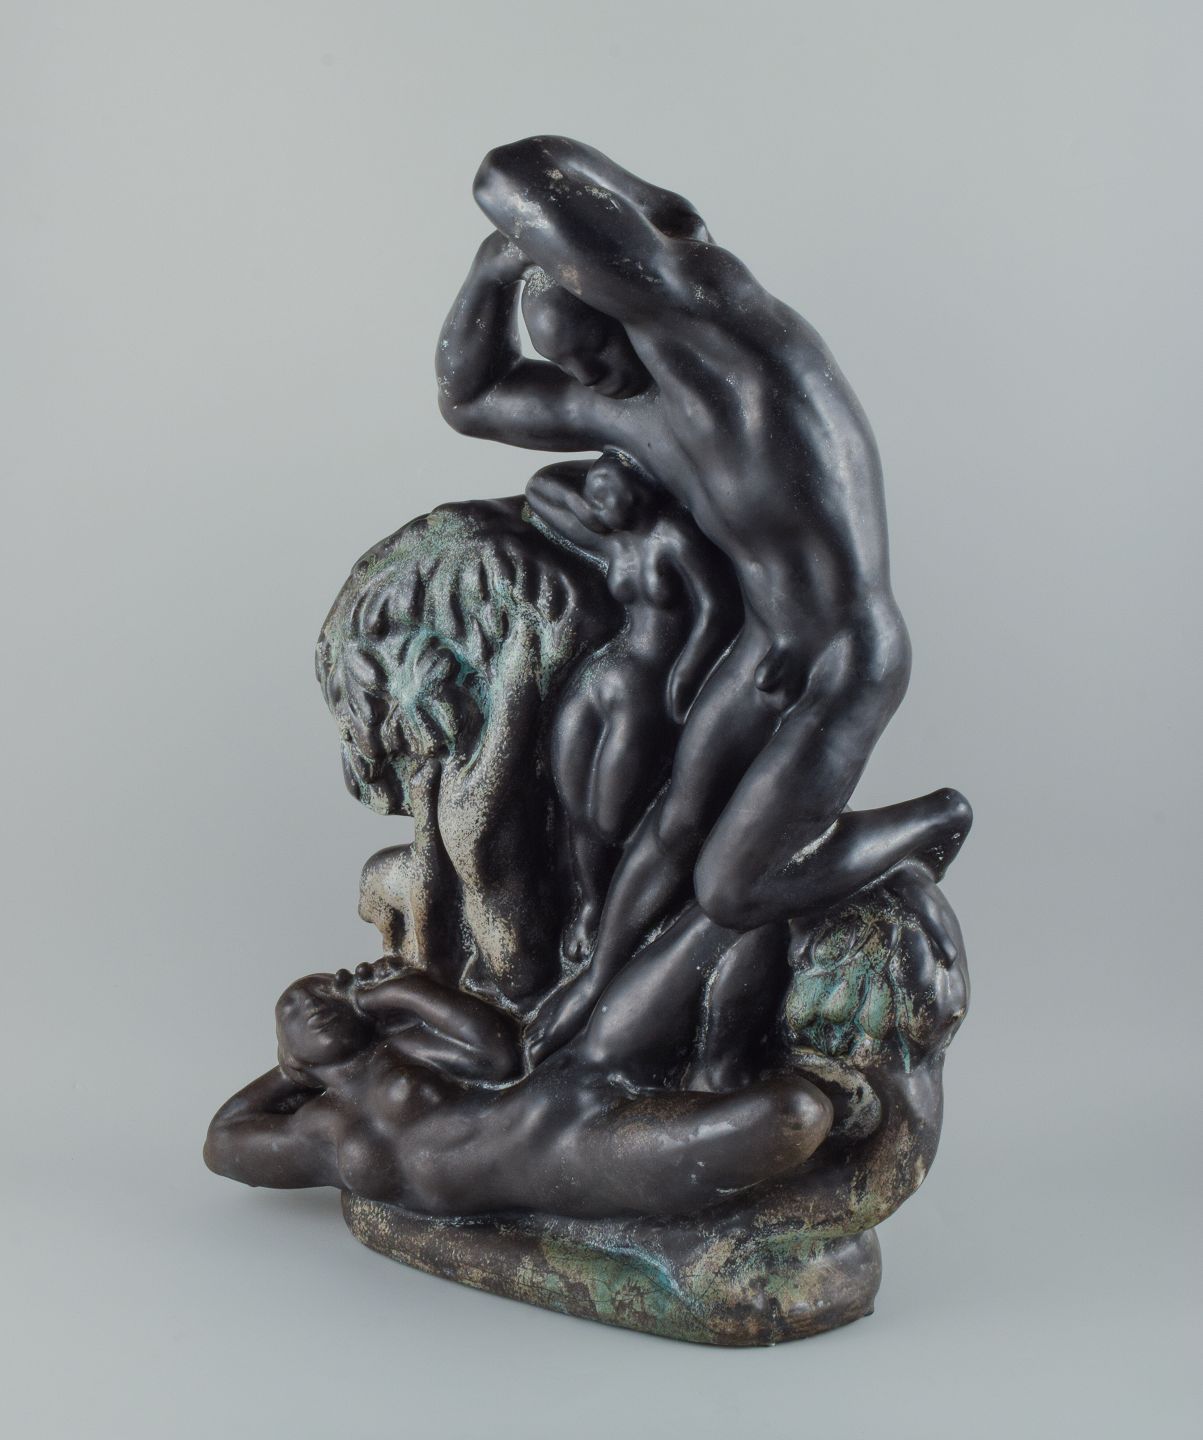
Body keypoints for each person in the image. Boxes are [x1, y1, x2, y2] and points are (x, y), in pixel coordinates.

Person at [436, 136, 972, 1062]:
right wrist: (490, 273)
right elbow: (470, 399)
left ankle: (934, 819)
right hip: (763, 649)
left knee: (731, 887)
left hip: (846, 657)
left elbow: (513, 173)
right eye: (572, 368)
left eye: (596, 352)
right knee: (671, 823)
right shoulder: (619, 409)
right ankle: (599, 980)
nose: (591, 381)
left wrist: (641, 208)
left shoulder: (733, 345)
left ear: (623, 309)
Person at [203, 963, 833, 1219]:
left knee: (710, 926)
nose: (314, 1002)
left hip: (568, 1081)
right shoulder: (314, 1129)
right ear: (287, 1046)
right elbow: (221, 1142)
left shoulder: (405, 1052)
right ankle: (743, 1079)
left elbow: (500, 1052)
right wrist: (291, 1074)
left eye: (323, 989)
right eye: (293, 1007)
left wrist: (401, 991)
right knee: (791, 1115)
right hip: (566, 1156)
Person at [526, 450, 734, 957]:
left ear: (636, 490)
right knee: (573, 802)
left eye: (607, 495)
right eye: (593, 497)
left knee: (612, 816)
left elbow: (719, 608)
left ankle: (645, 908)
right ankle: (591, 905)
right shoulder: (609, 538)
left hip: (647, 688)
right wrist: (590, 497)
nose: (597, 506)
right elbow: (539, 489)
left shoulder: (675, 536)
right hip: (601, 675)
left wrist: (685, 676)